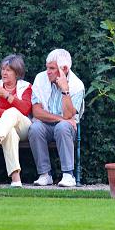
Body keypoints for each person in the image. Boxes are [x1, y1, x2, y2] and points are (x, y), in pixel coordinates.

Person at [28, 49, 85, 187]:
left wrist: (65, 89)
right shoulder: (40, 78)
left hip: (67, 128)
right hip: (46, 124)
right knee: (35, 128)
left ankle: (68, 175)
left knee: (63, 127)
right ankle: (44, 175)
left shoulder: (77, 85)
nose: (48, 72)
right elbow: (36, 112)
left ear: (64, 69)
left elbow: (68, 116)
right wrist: (61, 119)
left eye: (52, 68)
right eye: (47, 67)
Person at [0, 54, 33, 187]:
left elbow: (25, 109)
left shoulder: (26, 87)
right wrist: (9, 116)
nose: (4, 72)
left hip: (22, 127)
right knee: (9, 132)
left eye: (8, 70)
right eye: (3, 69)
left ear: (17, 73)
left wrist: (6, 95)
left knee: (14, 112)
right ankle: (16, 179)